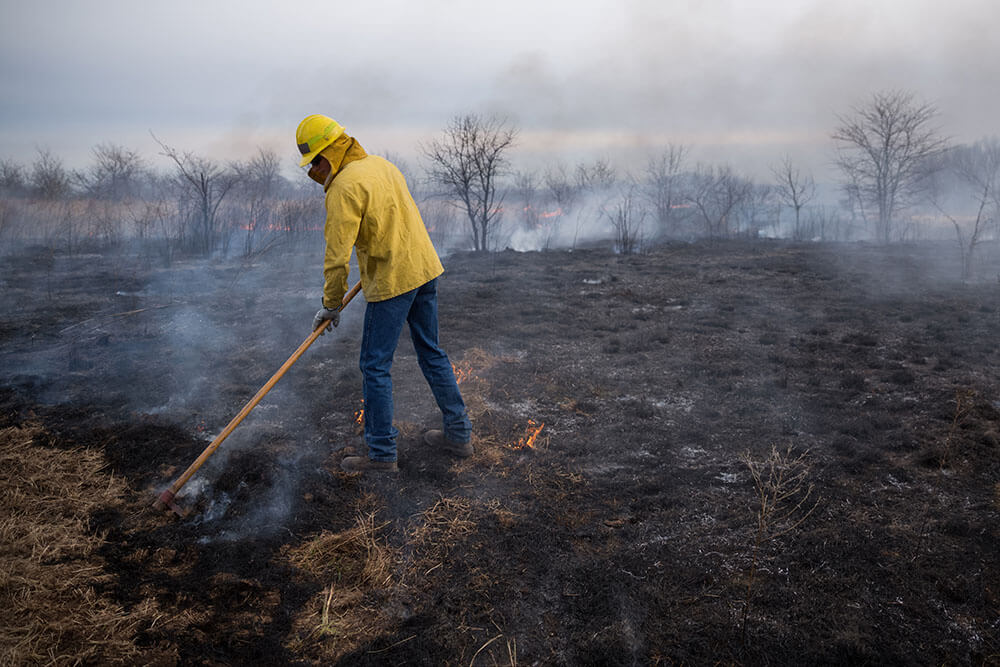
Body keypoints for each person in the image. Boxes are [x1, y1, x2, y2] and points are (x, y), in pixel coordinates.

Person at [296, 114, 472, 473]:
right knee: (432, 352)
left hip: (393, 282)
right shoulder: (382, 166)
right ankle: (459, 434)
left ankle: (381, 455)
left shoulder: (344, 188)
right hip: (424, 269)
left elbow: (336, 257)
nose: (313, 170)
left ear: (331, 151)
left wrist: (330, 304)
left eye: (315, 161)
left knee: (374, 366)